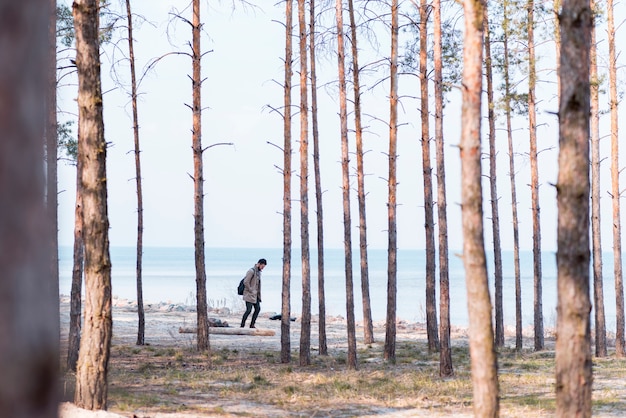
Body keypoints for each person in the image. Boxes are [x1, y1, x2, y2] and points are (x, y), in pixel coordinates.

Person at [240, 258, 267, 328]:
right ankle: (242, 324)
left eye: (264, 267)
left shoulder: (258, 272)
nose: (263, 268)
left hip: (256, 295)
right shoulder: (251, 271)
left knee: (257, 309)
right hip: (249, 294)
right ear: (259, 264)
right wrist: (251, 289)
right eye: (262, 266)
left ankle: (252, 324)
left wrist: (257, 293)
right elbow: (246, 282)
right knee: (248, 310)